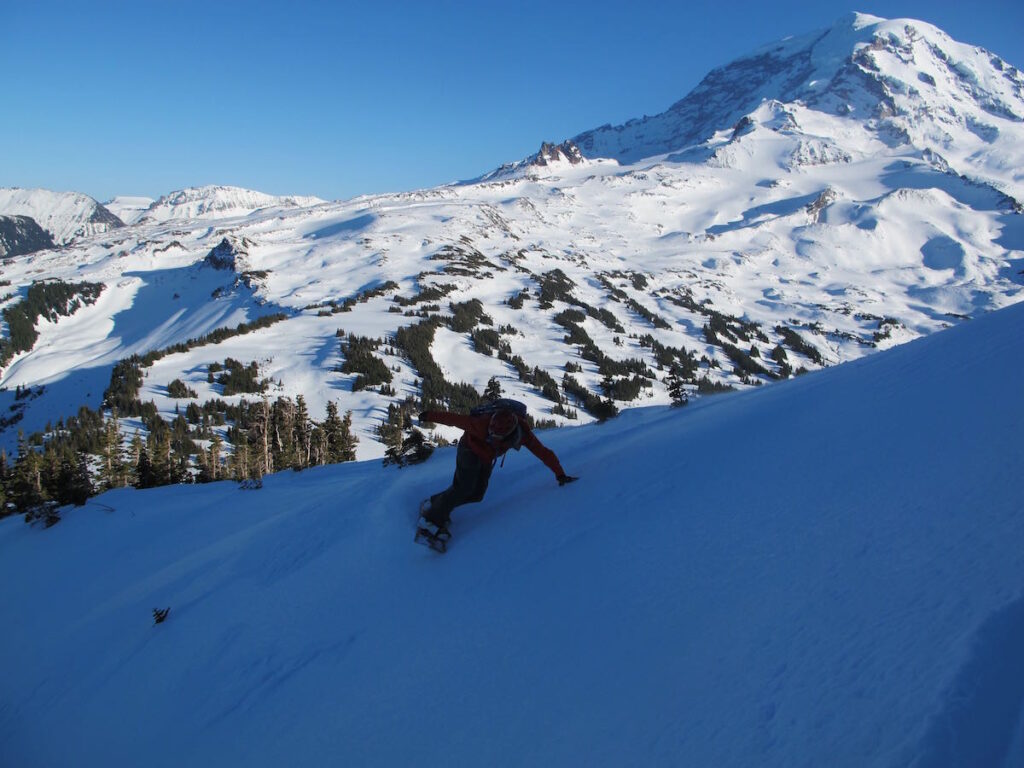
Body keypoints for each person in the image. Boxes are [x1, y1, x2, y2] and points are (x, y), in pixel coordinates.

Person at [417, 405, 577, 539]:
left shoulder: (523, 435)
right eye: (491, 434)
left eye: (497, 436)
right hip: (469, 449)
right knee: (464, 487)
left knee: (477, 494)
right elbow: (452, 419)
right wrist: (428, 415)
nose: (492, 437)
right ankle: (430, 522)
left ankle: (436, 502)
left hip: (487, 457)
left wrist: (560, 474)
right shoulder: (481, 424)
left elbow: (543, 452)